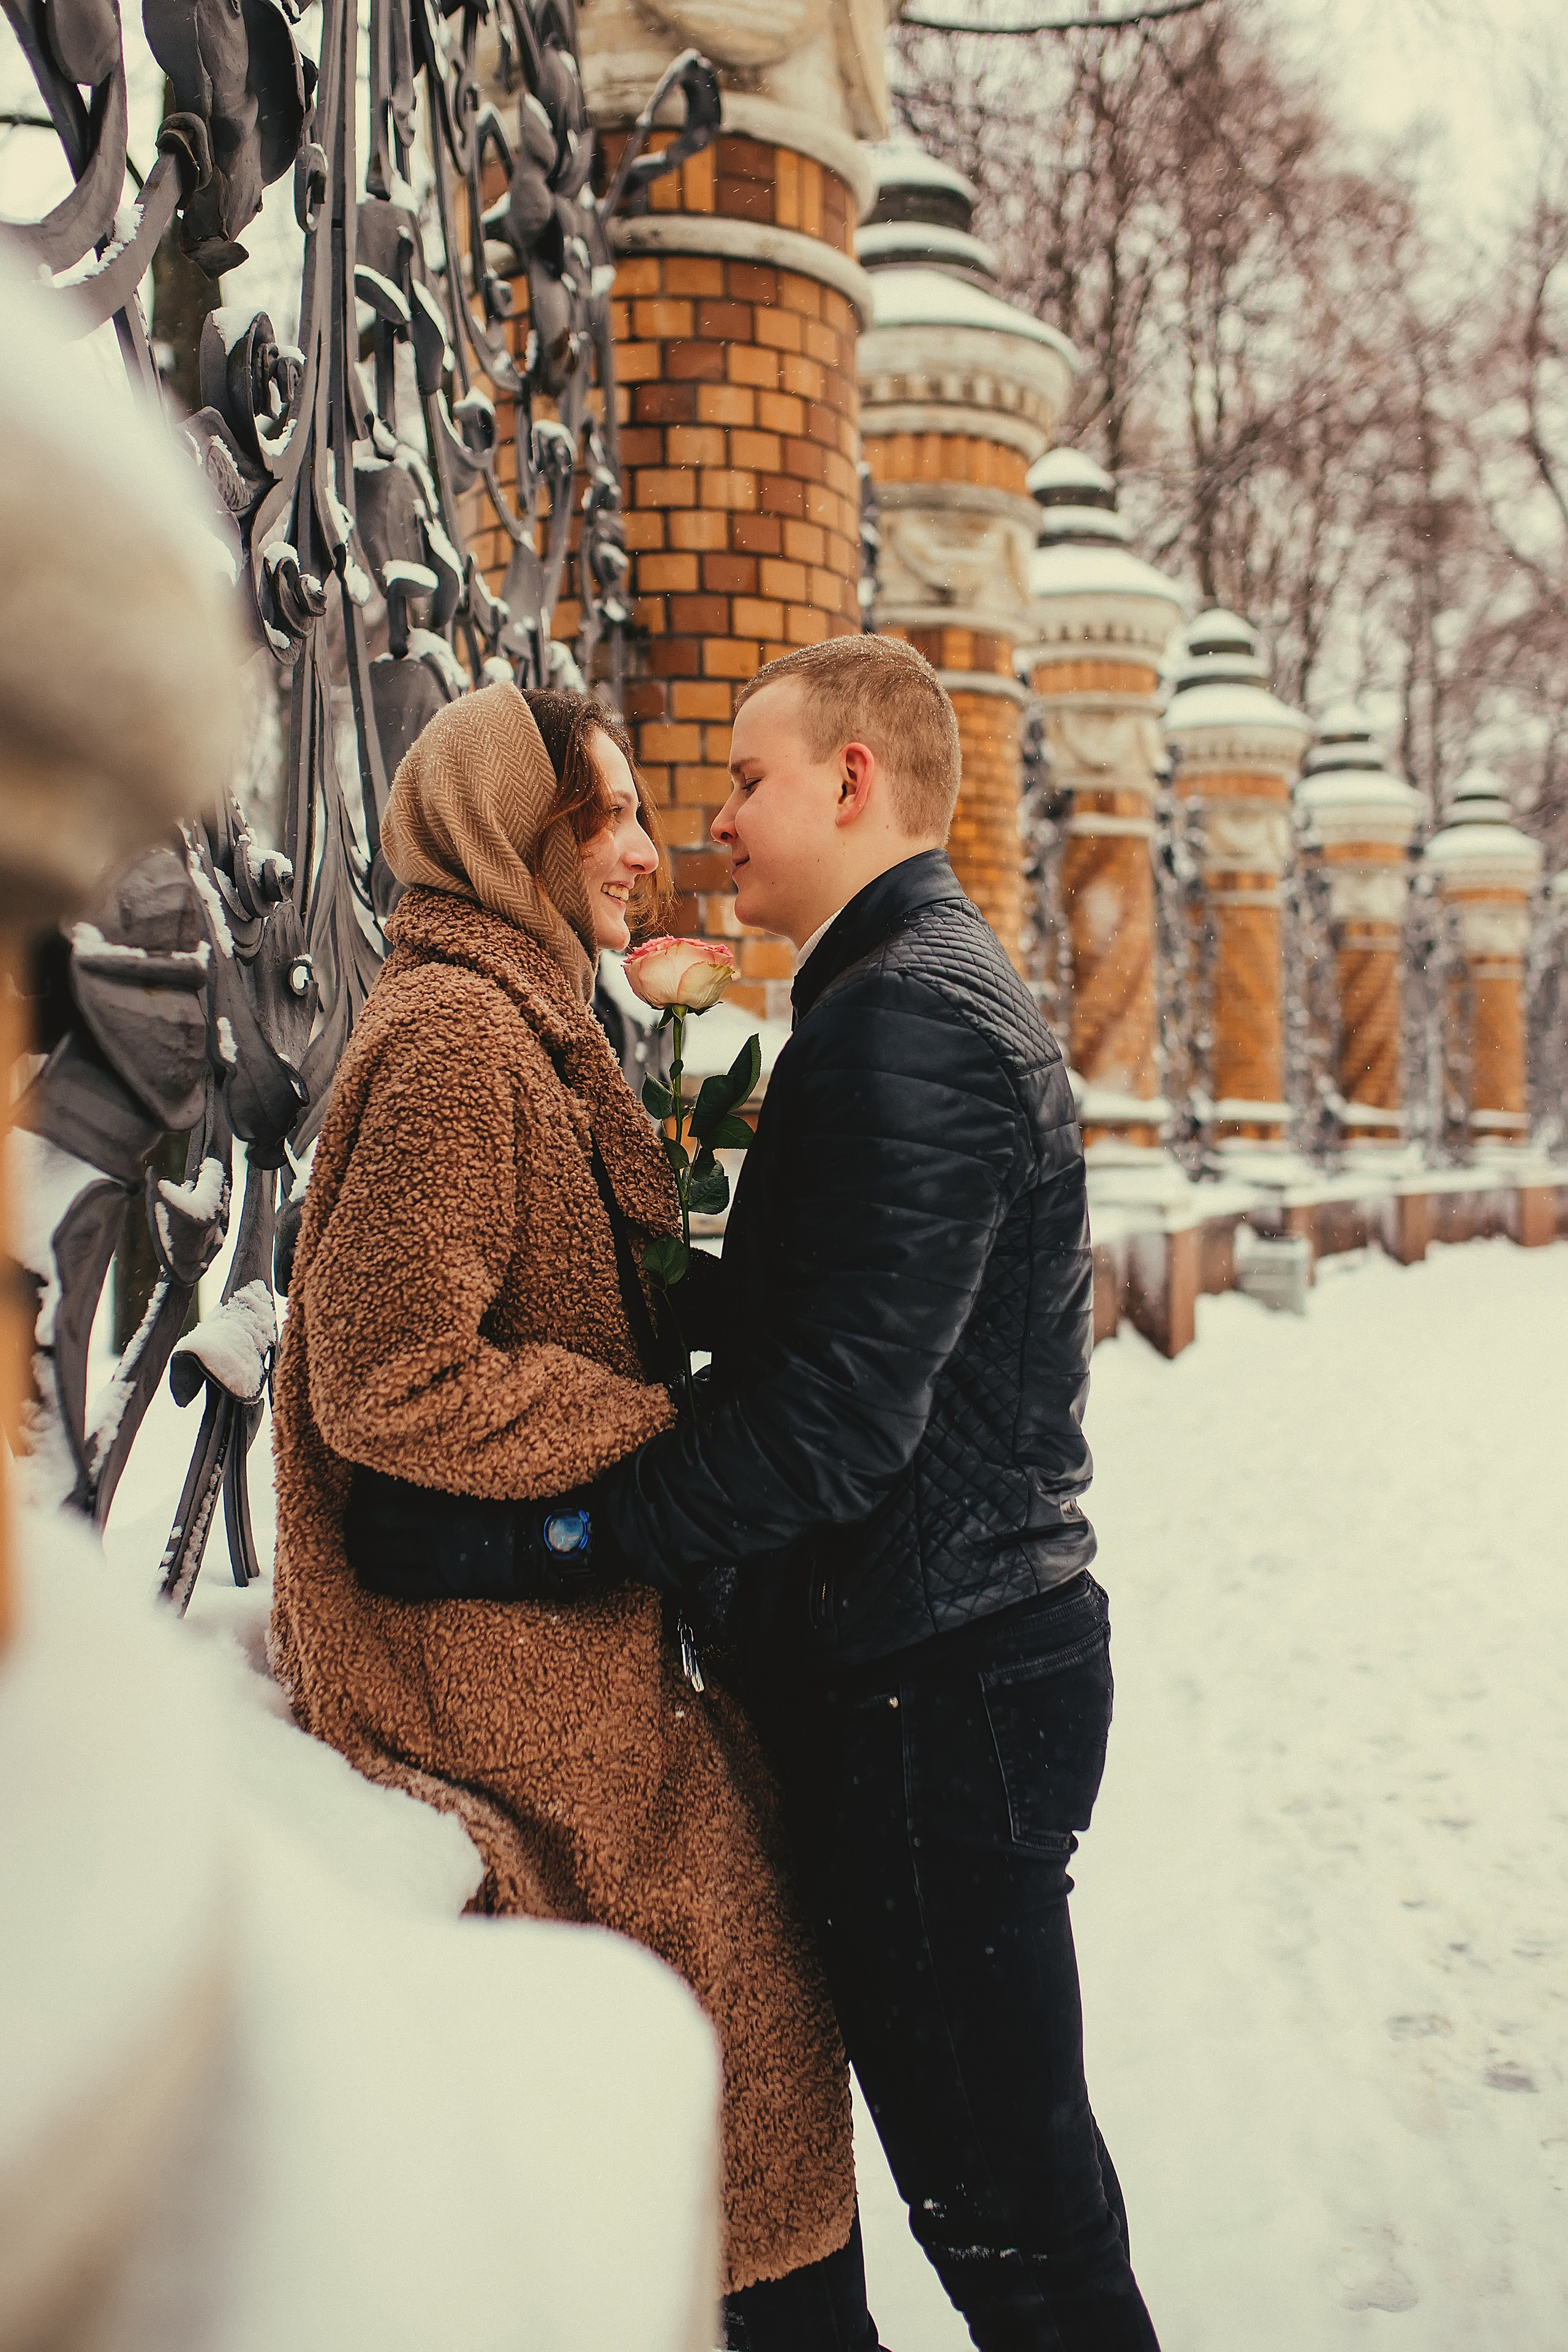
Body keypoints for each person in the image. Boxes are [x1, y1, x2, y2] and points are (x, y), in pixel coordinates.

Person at [544, 636, 1163, 2349]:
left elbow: (832, 1425)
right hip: (937, 1663)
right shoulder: (896, 996)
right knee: (1011, 2207)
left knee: (1020, 2235)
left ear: (850, 779)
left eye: (747, 779)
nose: (716, 822)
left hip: (936, 1689)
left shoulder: (910, 1023)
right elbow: (840, 1319)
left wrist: (564, 1536)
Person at [268, 681, 884, 2350]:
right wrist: (661, 1421)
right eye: (595, 817)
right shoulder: (461, 1040)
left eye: (628, 813)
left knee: (743, 2053)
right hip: (481, 1671)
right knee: (739, 2036)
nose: (637, 850)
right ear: (501, 836)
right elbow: (388, 1382)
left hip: (546, 1640)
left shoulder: (525, 1016)